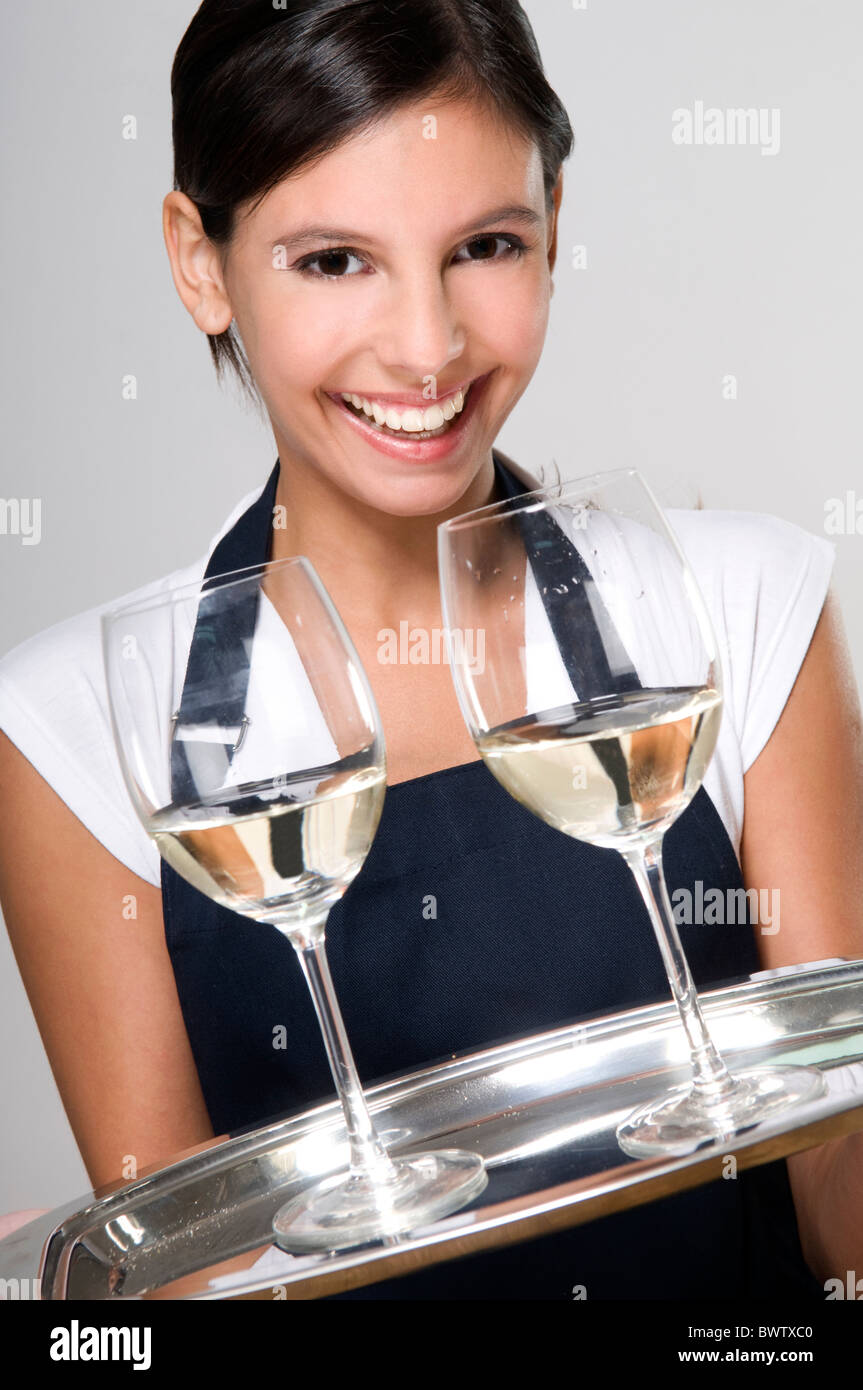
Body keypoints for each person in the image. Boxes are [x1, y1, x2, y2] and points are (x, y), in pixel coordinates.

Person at [1, 0, 862, 1300]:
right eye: (334, 260)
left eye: (485, 245)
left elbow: (842, 1208)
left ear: (555, 223)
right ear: (199, 261)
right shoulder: (70, 728)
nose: (426, 346)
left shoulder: (742, 605)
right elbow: (181, 1270)